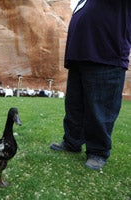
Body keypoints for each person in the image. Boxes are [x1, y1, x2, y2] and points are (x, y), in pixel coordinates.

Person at [50, 0, 131, 170]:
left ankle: (98, 151)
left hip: (106, 56)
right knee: (74, 106)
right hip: (79, 56)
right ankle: (72, 142)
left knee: (100, 109)